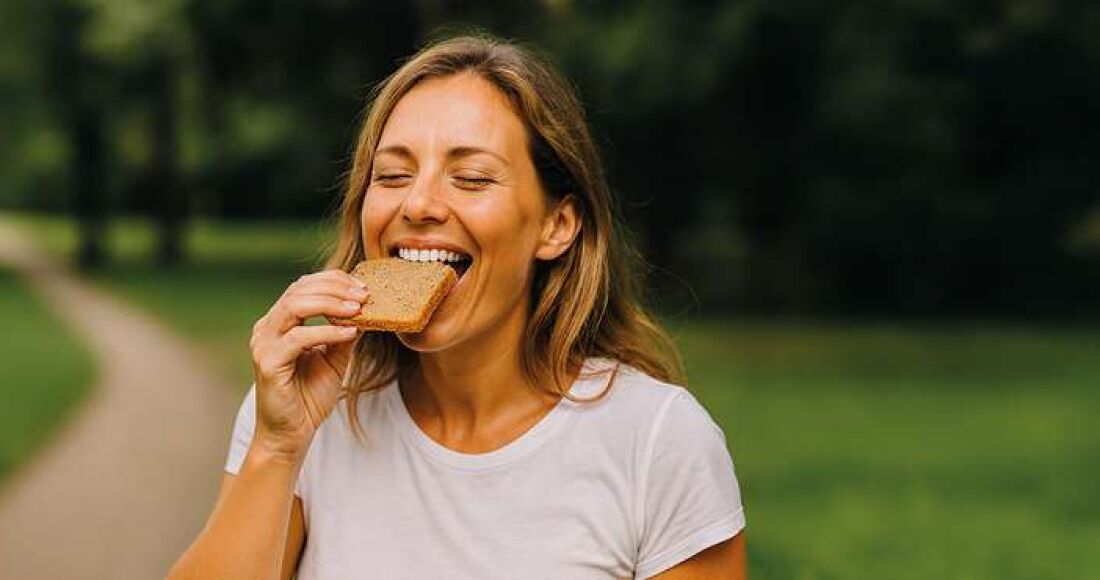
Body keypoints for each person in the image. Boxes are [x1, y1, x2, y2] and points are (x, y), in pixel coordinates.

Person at [168, 34, 746, 579]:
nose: (418, 202)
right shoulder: (305, 413)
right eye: (392, 174)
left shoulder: (657, 442)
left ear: (557, 224)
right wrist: (277, 447)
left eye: (470, 178)